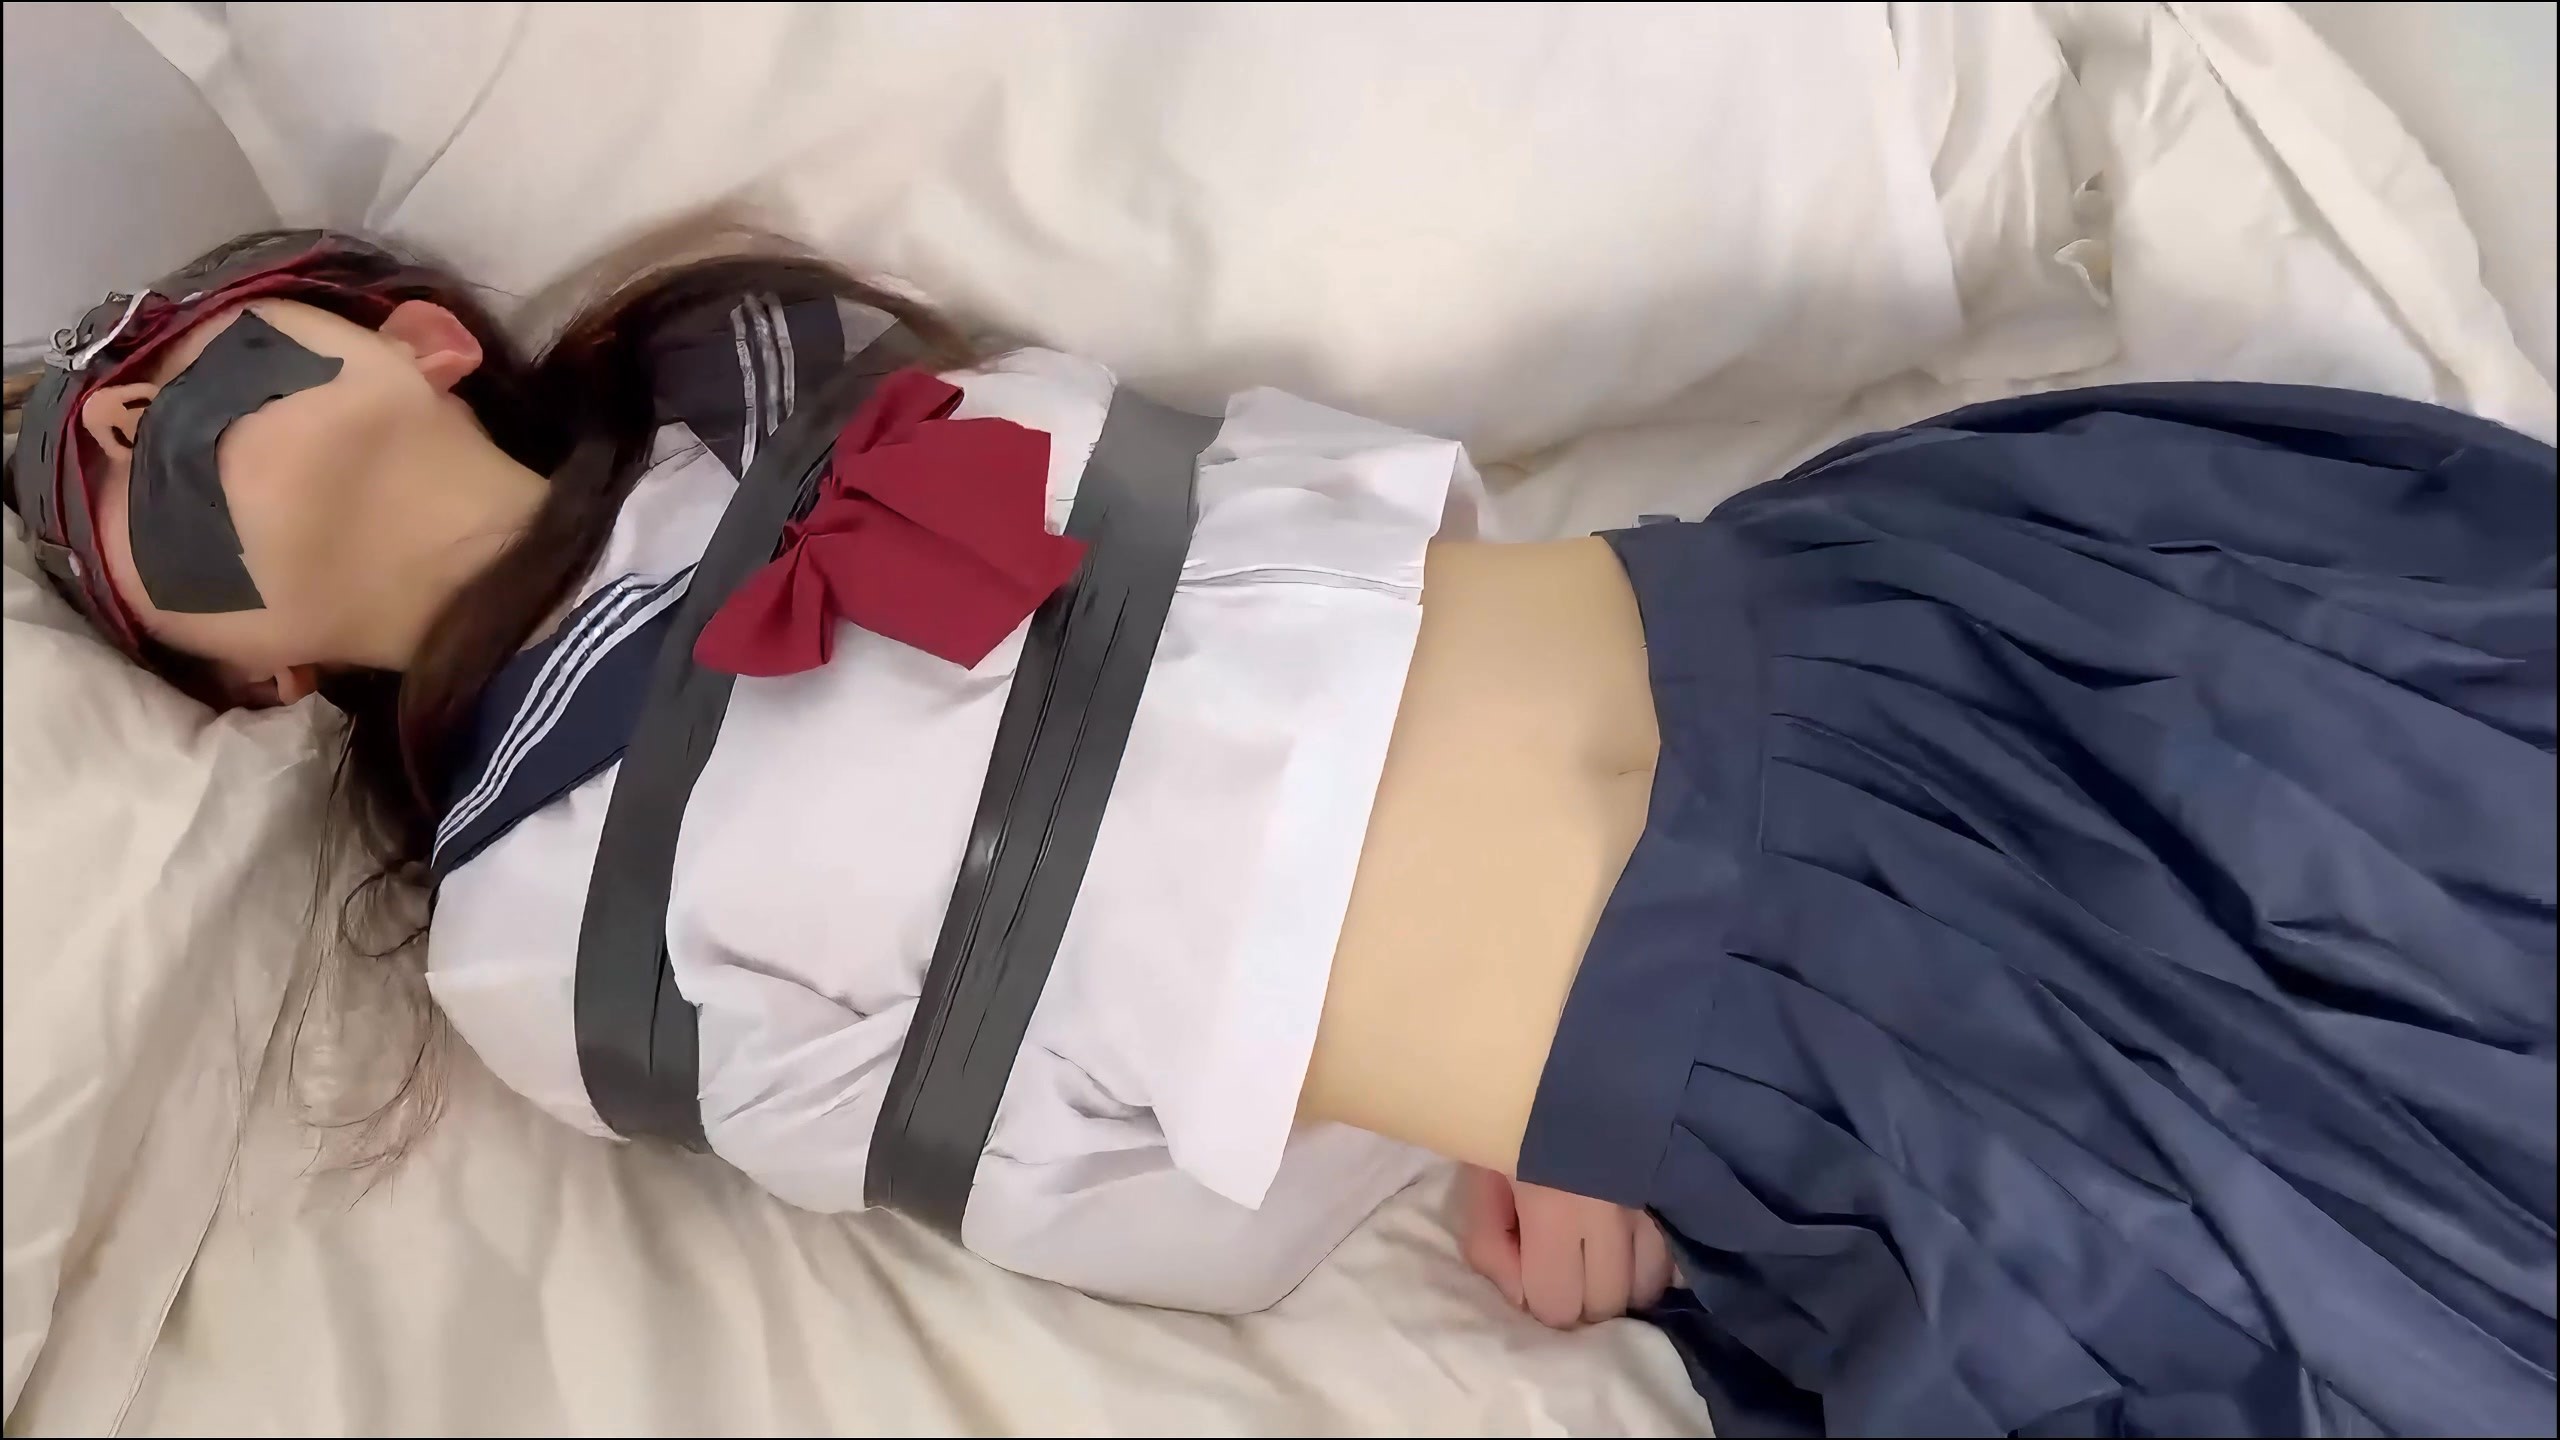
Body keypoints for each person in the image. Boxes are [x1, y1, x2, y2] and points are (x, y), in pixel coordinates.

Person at [7, 228, 2551, 1437]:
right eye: (92, 494)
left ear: (409, 327)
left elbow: (1349, 495)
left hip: (1886, 629)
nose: (125, 418)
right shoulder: (532, 942)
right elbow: (1089, 1196)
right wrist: (1473, 1127)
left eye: (149, 351)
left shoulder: (807, 371)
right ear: (243, 684)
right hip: (1798, 1074)